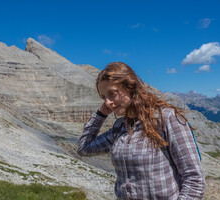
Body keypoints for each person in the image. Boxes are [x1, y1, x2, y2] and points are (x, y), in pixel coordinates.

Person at [77, 62, 205, 200]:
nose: (107, 102)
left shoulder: (166, 118)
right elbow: (84, 148)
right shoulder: (119, 127)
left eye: (112, 94)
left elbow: (194, 179)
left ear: (130, 87)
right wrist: (101, 114)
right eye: (103, 97)